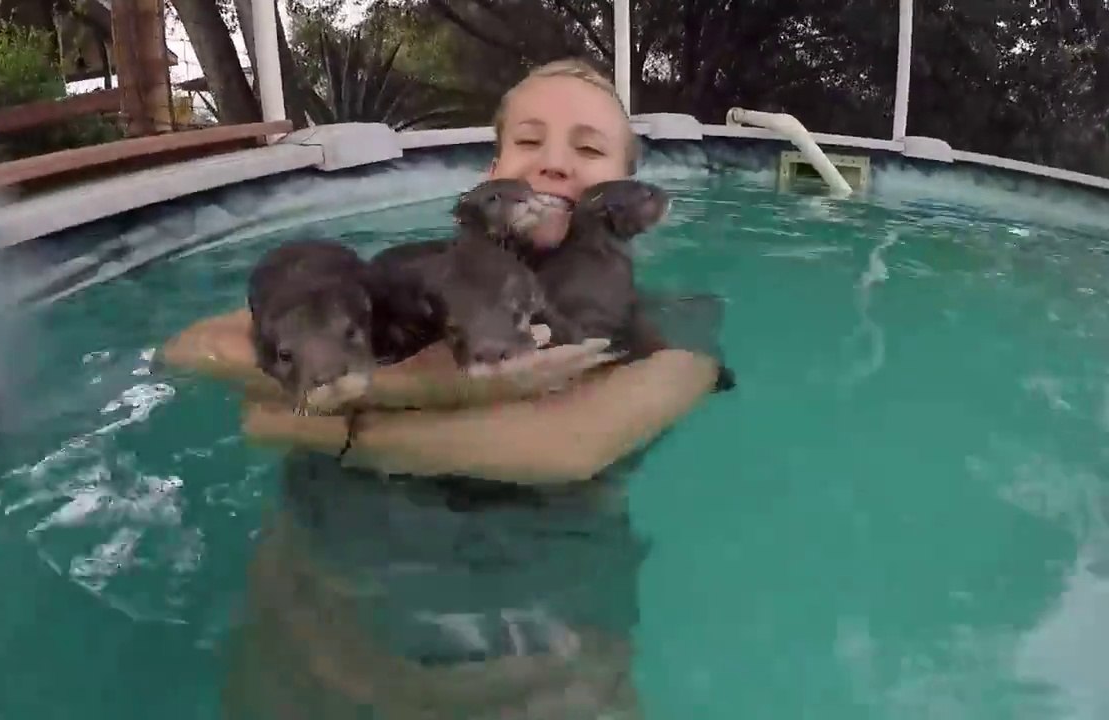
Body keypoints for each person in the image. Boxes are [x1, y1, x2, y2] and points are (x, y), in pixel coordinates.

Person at [162, 58, 728, 719]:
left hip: (538, 670)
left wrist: (315, 423)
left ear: (632, 189)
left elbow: (570, 446)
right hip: (315, 633)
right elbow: (195, 348)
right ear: (492, 173)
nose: (552, 162)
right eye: (527, 141)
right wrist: (427, 386)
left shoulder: (673, 319)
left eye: (589, 148)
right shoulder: (407, 277)